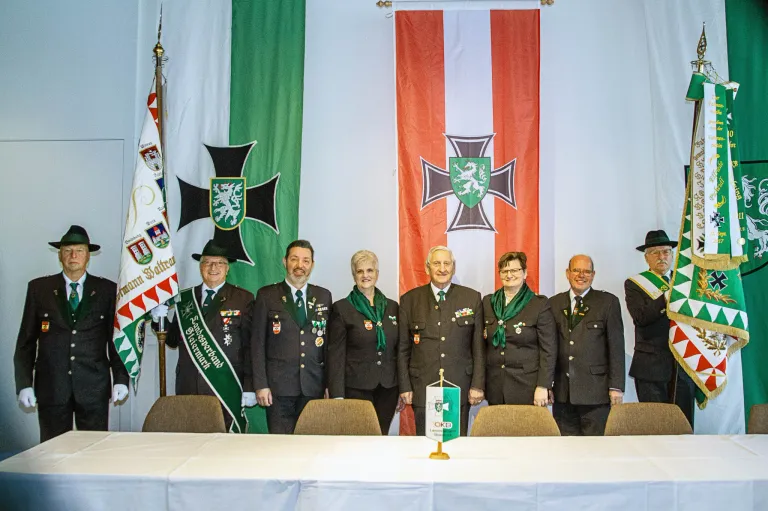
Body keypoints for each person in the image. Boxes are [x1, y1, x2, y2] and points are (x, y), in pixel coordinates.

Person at [14, 225, 129, 442]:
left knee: (93, 450)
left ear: (88, 256)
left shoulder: (106, 290)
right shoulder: (40, 289)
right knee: (53, 452)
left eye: (79, 250)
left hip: (93, 388)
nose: (73, 256)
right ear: (60, 255)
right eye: (67, 250)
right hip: (52, 387)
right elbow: (25, 343)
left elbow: (115, 340)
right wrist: (24, 384)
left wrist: (121, 379)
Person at [153, 240, 256, 433]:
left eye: (219, 263)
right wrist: (159, 319)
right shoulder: (185, 299)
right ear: (200, 267)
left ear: (227, 268)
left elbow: (250, 347)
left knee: (224, 440)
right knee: (189, 438)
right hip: (188, 384)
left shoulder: (243, 298)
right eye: (207, 262)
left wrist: (249, 385)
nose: (213, 267)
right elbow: (173, 341)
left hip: (226, 383)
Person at [398, 245, 485, 436]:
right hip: (423, 387)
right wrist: (404, 386)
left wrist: (477, 384)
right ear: (427, 267)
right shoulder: (410, 300)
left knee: (456, 443)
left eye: (447, 263)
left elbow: (478, 347)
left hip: (459, 386)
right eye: (436, 263)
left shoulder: (471, 298)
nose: (442, 268)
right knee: (425, 443)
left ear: (453, 268)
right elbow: (403, 348)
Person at [252, 240, 333, 434]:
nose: (300, 265)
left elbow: (329, 346)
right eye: (294, 259)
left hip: (313, 387)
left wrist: (329, 385)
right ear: (285, 261)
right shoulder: (267, 295)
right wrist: (261, 385)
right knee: (281, 446)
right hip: (278, 389)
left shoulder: (323, 296)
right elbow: (257, 343)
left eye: (306, 261)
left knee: (311, 445)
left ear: (312, 265)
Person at [626, 229, 696, 429]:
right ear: (646, 257)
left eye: (666, 252)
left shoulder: (686, 284)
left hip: (683, 363)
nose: (661, 257)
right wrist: (666, 296)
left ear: (672, 255)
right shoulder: (635, 284)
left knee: (683, 425)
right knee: (654, 426)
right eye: (655, 252)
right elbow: (641, 318)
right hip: (651, 367)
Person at [548, 254, 625, 436]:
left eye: (586, 271)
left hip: (595, 394)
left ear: (593, 275)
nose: (581, 275)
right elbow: (549, 348)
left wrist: (616, 386)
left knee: (595, 448)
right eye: (576, 270)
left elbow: (616, 347)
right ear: (567, 273)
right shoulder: (553, 303)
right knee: (565, 447)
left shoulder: (607, 302)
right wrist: (547, 384)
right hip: (563, 393)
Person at [328, 250, 399, 435]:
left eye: (370, 270)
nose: (365, 275)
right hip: (356, 387)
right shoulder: (342, 308)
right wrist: (337, 394)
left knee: (381, 434)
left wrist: (402, 388)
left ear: (377, 274)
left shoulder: (392, 307)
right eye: (360, 271)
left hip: (388, 387)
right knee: (359, 438)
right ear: (354, 275)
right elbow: (336, 355)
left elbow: (398, 350)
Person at [482, 252, 556, 407]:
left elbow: (548, 349)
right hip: (495, 385)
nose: (509, 275)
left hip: (526, 386)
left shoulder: (538, 304)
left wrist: (543, 385)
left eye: (514, 270)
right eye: (504, 271)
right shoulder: (488, 302)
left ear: (525, 273)